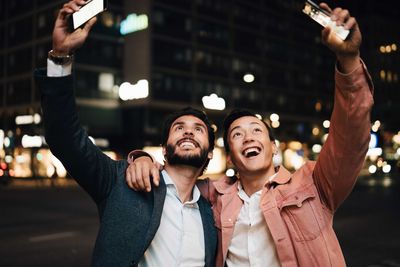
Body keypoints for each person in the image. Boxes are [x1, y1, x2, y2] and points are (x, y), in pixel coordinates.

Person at [126, 2, 374, 266]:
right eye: (237, 135)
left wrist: (349, 61)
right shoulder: (215, 196)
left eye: (256, 130)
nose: (248, 138)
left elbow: (349, 139)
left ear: (274, 147)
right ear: (231, 157)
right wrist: (142, 159)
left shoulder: (314, 184)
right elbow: (177, 176)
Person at [35, 1, 217, 266]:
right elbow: (64, 137)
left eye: (198, 129)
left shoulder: (212, 213)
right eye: (179, 128)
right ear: (164, 148)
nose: (188, 132)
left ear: (210, 151)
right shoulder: (119, 181)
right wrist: (60, 56)